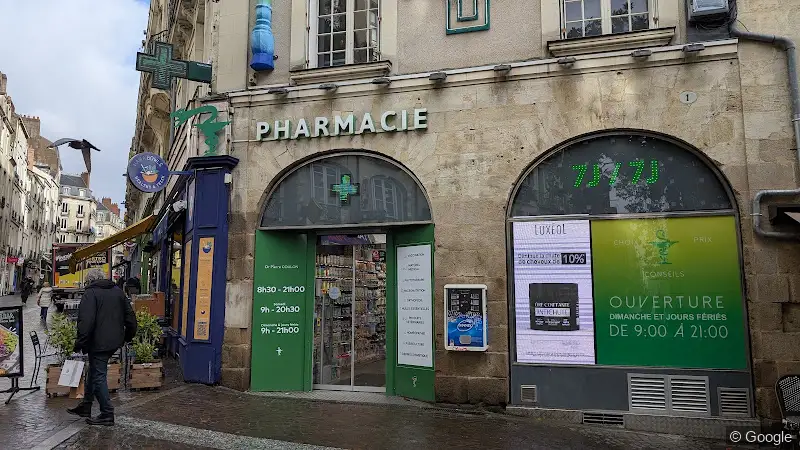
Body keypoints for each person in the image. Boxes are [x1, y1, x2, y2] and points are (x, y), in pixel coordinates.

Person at [67, 269, 137, 426]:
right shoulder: (118, 292)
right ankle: (86, 405)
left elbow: (86, 321)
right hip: (114, 341)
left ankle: (107, 413)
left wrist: (80, 342)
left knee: (98, 375)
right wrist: (127, 337)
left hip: (98, 342)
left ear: (89, 281)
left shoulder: (90, 294)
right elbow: (131, 317)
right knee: (94, 371)